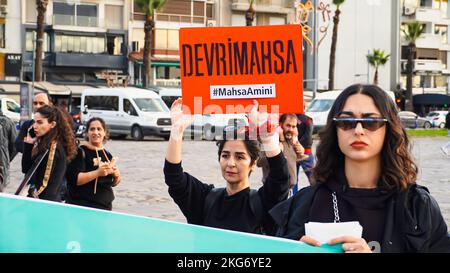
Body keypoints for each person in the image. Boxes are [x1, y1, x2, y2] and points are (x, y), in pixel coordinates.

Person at [270, 84, 450, 253]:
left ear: (388, 129)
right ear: (335, 129)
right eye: (347, 121)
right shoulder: (305, 203)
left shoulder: (417, 206)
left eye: (370, 122)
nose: (358, 130)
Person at [164, 98, 289, 235]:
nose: (231, 163)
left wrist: (267, 139)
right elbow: (174, 178)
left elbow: (280, 178)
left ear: (253, 164)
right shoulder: (205, 200)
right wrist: (177, 130)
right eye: (225, 155)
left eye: (240, 157)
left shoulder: (263, 203)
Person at [21, 106, 77, 201]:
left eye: (40, 122)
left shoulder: (53, 148)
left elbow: (46, 186)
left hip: (45, 203)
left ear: (52, 124)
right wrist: (29, 143)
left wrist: (33, 197)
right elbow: (26, 169)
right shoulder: (45, 144)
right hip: (43, 201)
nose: (34, 126)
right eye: (34, 122)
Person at [66, 117, 121, 210]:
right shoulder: (80, 152)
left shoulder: (107, 155)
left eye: (99, 129)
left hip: (105, 206)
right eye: (92, 129)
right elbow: (75, 180)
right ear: (87, 133)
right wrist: (97, 173)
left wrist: (117, 176)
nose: (96, 132)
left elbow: (113, 183)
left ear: (104, 133)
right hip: (83, 206)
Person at [257, 114, 307, 191]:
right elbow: (259, 162)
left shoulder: (292, 141)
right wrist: (275, 153)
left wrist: (300, 152)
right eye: (288, 125)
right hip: (272, 191)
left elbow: (291, 161)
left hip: (289, 191)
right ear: (280, 125)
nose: (290, 129)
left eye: (293, 126)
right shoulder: (270, 140)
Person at [294, 111, 315, 194]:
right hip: (306, 152)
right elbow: (308, 137)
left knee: (293, 179)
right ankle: (315, 195)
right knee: (312, 178)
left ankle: (294, 198)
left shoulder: (289, 119)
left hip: (294, 151)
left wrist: (296, 145)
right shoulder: (308, 120)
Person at [0, 111, 18, 192]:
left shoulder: (6, 122)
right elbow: (14, 148)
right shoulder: (8, 122)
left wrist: (6, 159)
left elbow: (15, 147)